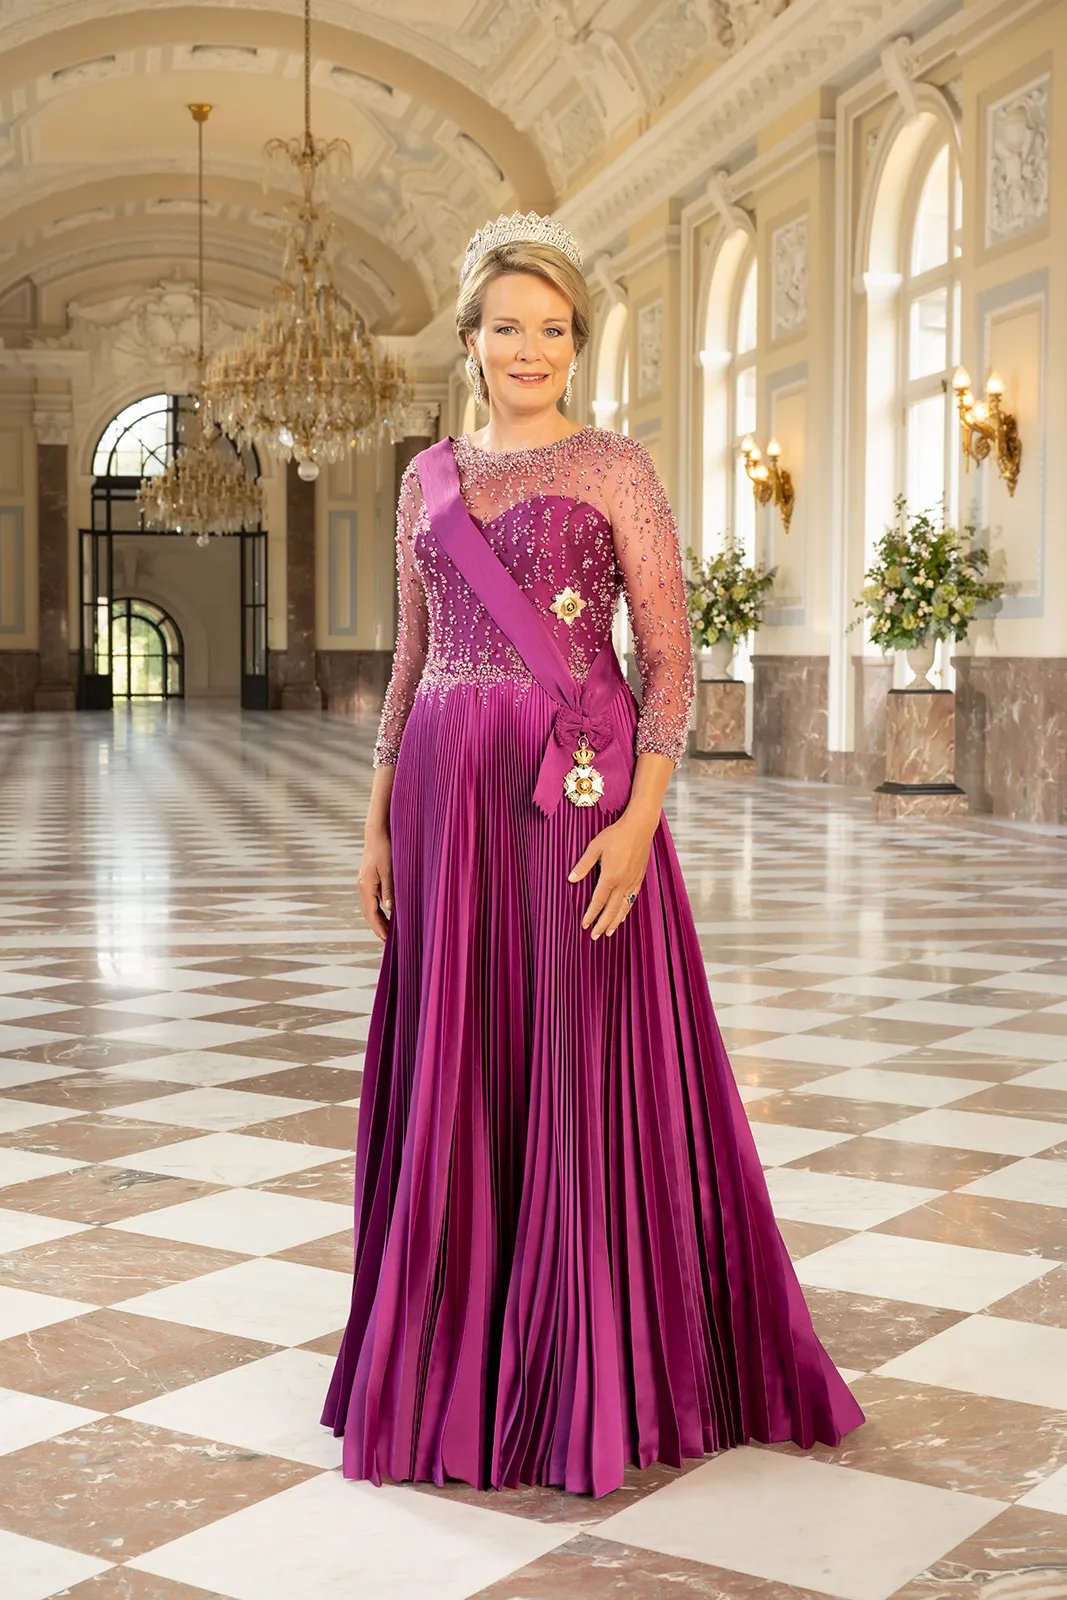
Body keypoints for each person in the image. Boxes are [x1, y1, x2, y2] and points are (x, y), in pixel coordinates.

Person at [321, 211, 864, 1498]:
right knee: (464, 1051)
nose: (530, 349)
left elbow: (668, 663)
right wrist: (378, 809)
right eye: (507, 327)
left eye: (553, 329)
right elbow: (409, 656)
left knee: (574, 1049)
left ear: (576, 343)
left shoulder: (615, 465)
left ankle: (590, 1359)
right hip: (446, 794)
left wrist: (640, 817)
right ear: (468, 342)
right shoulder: (424, 479)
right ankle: (455, 1352)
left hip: (573, 794)